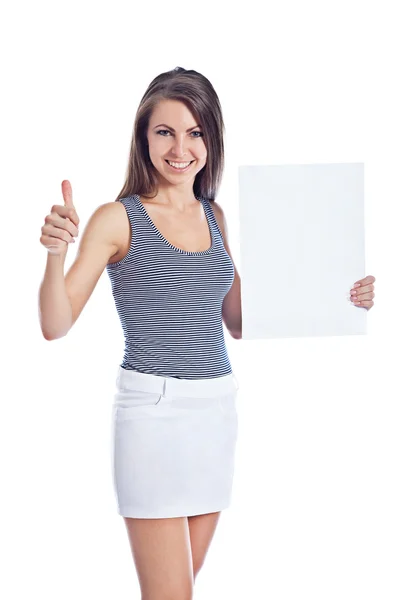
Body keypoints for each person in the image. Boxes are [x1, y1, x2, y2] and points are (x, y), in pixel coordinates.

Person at [38, 66, 376, 599]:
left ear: (211, 139)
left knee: (180, 591)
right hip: (153, 416)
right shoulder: (116, 219)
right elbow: (55, 325)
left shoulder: (213, 214)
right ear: (143, 137)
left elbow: (238, 320)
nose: (180, 148)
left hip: (215, 413)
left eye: (195, 132)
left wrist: (341, 293)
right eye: (165, 132)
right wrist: (56, 255)